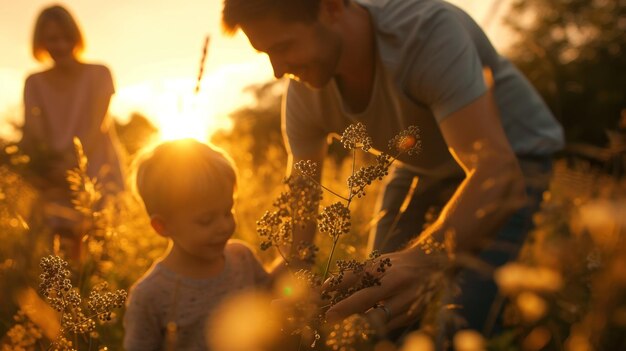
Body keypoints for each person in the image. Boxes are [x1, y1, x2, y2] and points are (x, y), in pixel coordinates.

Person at [222, 0, 564, 339]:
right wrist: (279, 282)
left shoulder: (426, 32)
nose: (278, 70)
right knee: (377, 304)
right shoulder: (304, 93)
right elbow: (302, 207)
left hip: (513, 158)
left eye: (283, 46)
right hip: (421, 166)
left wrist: (421, 259)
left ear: (332, 8)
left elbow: (497, 173)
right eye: (266, 54)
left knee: (458, 327)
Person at [124, 139, 271, 351]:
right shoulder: (150, 295)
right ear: (162, 226)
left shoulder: (242, 257)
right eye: (206, 220)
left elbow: (272, 299)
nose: (224, 226)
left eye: (228, 211)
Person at [20, 5, 125, 248]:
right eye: (52, 39)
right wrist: (43, 169)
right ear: (41, 43)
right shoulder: (34, 83)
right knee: (55, 256)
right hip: (52, 178)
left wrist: (68, 167)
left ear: (76, 38)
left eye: (65, 38)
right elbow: (33, 133)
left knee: (100, 249)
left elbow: (96, 128)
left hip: (98, 174)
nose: (59, 45)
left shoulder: (100, 74)